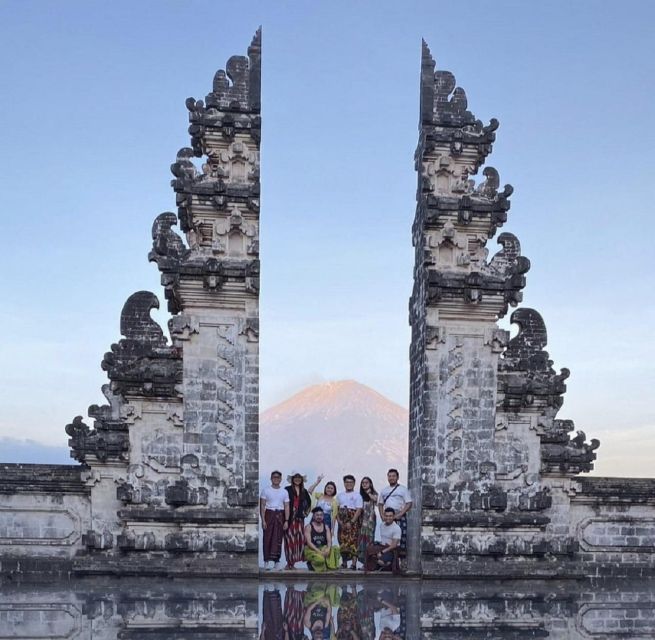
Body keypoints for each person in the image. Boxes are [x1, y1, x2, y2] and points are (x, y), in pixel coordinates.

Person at [377, 469, 412, 560]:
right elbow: (380, 504)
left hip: (399, 515)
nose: (391, 478)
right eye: (390, 476)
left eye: (393, 476)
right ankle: (388, 558)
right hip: (388, 516)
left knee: (401, 539)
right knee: (387, 538)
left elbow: (409, 503)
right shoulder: (384, 490)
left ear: (397, 477)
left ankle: (401, 561)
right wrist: (382, 515)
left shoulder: (403, 489)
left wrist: (401, 514)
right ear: (387, 477)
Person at [260, 470, 290, 570]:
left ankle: (277, 562)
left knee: (278, 538)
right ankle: (266, 562)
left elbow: (286, 506)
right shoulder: (266, 490)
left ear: (281, 479)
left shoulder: (284, 491)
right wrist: (263, 520)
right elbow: (262, 505)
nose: (276, 479)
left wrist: (286, 520)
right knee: (267, 538)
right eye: (274, 477)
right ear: (271, 478)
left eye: (278, 477)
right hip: (269, 514)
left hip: (280, 515)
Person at [284, 472, 312, 570]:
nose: (297, 479)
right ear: (292, 479)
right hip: (289, 518)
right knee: (289, 539)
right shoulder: (287, 490)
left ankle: (294, 562)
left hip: (300, 519)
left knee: (299, 540)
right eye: (295, 477)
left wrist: (305, 513)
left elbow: (309, 503)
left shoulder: (304, 491)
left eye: (299, 477)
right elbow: (283, 502)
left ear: (301, 479)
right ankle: (289, 563)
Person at [336, 474, 363, 570]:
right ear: (344, 483)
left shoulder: (357, 495)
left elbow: (359, 510)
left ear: (354, 483)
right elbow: (336, 509)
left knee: (353, 541)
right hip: (342, 520)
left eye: (351, 482)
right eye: (347, 482)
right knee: (342, 541)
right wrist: (339, 521)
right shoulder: (340, 495)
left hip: (353, 520)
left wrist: (351, 522)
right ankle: (344, 563)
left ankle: (354, 564)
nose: (349, 484)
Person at [303, 507, 341, 572]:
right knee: (320, 559)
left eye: (321, 515)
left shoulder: (326, 527)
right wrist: (319, 551)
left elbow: (329, 541)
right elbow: (309, 543)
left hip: (323, 548)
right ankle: (311, 564)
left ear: (323, 516)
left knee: (336, 549)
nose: (319, 517)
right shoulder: (308, 527)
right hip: (312, 550)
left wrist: (328, 549)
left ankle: (327, 565)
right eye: (317, 515)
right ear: (313, 516)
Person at [366, 507, 401, 572]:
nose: (388, 518)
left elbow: (393, 545)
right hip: (382, 547)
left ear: (393, 516)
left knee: (382, 561)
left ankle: (387, 565)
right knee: (369, 551)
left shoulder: (396, 528)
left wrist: (382, 552)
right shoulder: (382, 525)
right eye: (386, 516)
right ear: (384, 516)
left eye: (390, 516)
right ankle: (380, 566)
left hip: (391, 550)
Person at [357, 476, 378, 567]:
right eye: (363, 483)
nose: (364, 484)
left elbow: (375, 500)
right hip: (361, 520)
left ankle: (368, 562)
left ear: (370, 484)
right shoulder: (359, 495)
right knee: (361, 541)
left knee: (369, 540)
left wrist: (369, 493)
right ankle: (363, 562)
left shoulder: (374, 493)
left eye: (366, 482)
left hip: (370, 521)